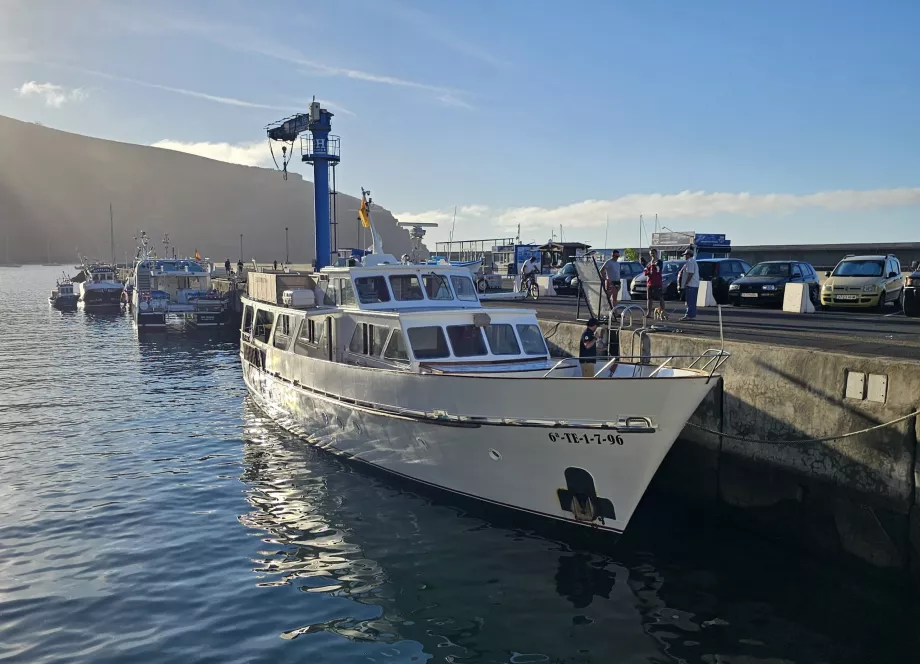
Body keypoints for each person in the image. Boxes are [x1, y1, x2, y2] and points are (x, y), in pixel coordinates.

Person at [678, 247, 699, 321]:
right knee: (692, 301)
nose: (684, 256)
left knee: (689, 301)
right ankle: (692, 315)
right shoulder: (692, 261)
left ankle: (689, 315)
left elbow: (690, 273)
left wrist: (686, 283)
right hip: (693, 285)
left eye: (685, 255)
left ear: (688, 255)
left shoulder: (690, 262)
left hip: (691, 284)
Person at [645, 248, 666, 320]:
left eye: (653, 253)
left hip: (657, 282)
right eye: (651, 253)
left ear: (656, 253)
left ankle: (663, 312)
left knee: (660, 297)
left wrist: (653, 265)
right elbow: (645, 271)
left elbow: (659, 269)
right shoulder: (649, 263)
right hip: (649, 283)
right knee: (649, 298)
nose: (652, 254)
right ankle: (649, 313)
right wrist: (648, 271)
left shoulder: (659, 262)